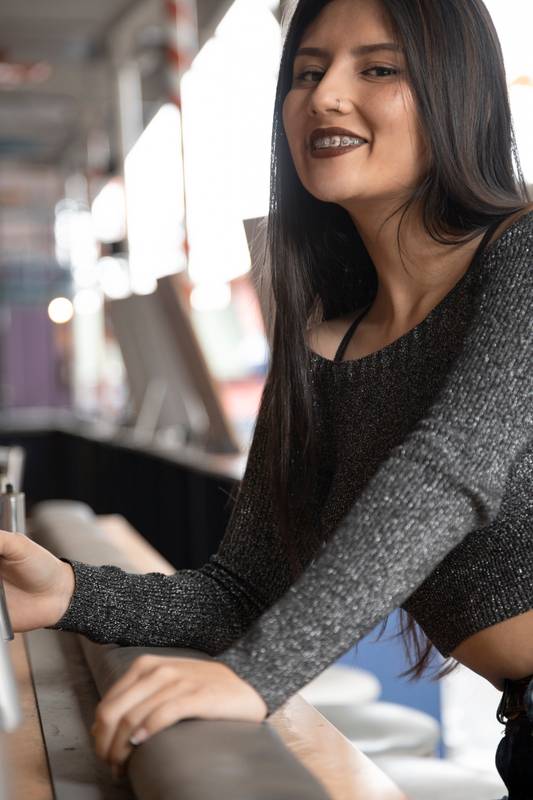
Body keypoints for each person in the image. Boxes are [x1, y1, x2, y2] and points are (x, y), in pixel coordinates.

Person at [0, 0, 531, 794]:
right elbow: (239, 592)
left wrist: (256, 677)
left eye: (377, 69)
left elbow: (451, 466)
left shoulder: (521, 256)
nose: (323, 96)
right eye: (307, 72)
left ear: (462, 94)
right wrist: (69, 590)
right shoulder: (322, 343)